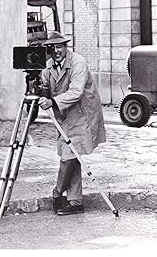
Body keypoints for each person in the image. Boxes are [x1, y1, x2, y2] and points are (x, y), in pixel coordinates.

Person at [38, 31, 106, 215]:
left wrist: (52, 102)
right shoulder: (48, 66)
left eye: (59, 46)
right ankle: (75, 202)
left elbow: (76, 92)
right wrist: (42, 92)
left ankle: (57, 192)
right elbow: (46, 90)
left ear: (66, 47)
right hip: (65, 115)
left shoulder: (78, 63)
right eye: (52, 48)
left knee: (69, 155)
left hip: (82, 114)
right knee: (72, 154)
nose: (56, 51)